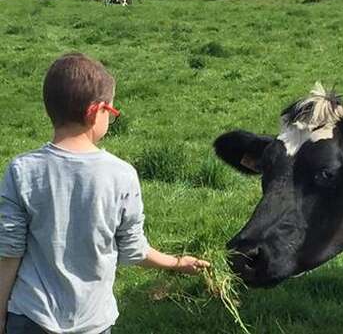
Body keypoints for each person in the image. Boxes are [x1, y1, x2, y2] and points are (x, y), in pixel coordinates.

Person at [0, 53, 210, 334]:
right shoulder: (122, 176)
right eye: (110, 111)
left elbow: (9, 252)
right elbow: (133, 250)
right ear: (94, 111)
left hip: (30, 316)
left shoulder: (21, 170)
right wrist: (176, 262)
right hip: (92, 323)